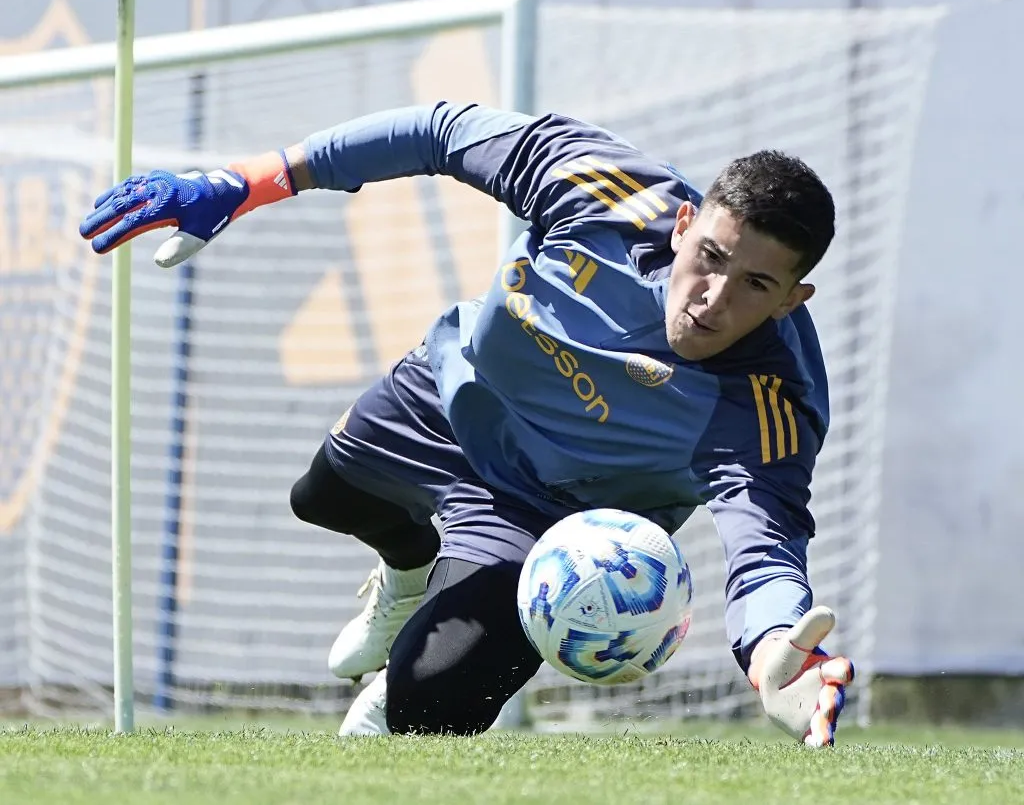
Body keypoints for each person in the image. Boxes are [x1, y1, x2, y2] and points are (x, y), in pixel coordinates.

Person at [80, 101, 854, 746]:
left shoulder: (768, 404)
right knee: (321, 497)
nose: (713, 298)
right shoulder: (599, 188)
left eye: (754, 283)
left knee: (430, 701)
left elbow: (764, 545)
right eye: (710, 257)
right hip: (448, 398)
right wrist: (249, 181)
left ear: (793, 299)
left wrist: (770, 651)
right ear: (685, 224)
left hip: (545, 512)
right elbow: (439, 132)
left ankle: (401, 677)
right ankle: (407, 570)